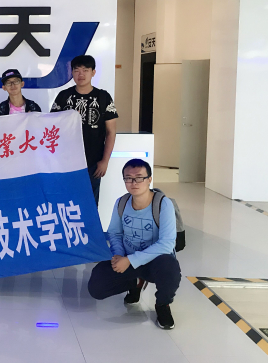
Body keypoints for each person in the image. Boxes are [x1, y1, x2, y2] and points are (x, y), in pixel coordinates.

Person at [87, 159, 181, 330]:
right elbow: (115, 233)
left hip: (155, 262)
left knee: (169, 269)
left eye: (139, 177)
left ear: (149, 179)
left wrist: (130, 260)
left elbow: (167, 244)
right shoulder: (122, 202)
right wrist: (118, 255)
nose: (133, 182)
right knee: (96, 287)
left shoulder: (163, 204)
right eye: (128, 178)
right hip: (127, 258)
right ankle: (136, 282)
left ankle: (162, 304)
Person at [50, 55, 117, 205]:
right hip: (66, 161)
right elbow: (52, 127)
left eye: (85, 70)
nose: (81, 74)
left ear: (93, 72)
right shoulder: (63, 96)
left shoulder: (103, 97)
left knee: (90, 203)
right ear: (72, 73)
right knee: (66, 201)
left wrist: (105, 161)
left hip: (93, 161)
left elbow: (111, 132)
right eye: (77, 70)